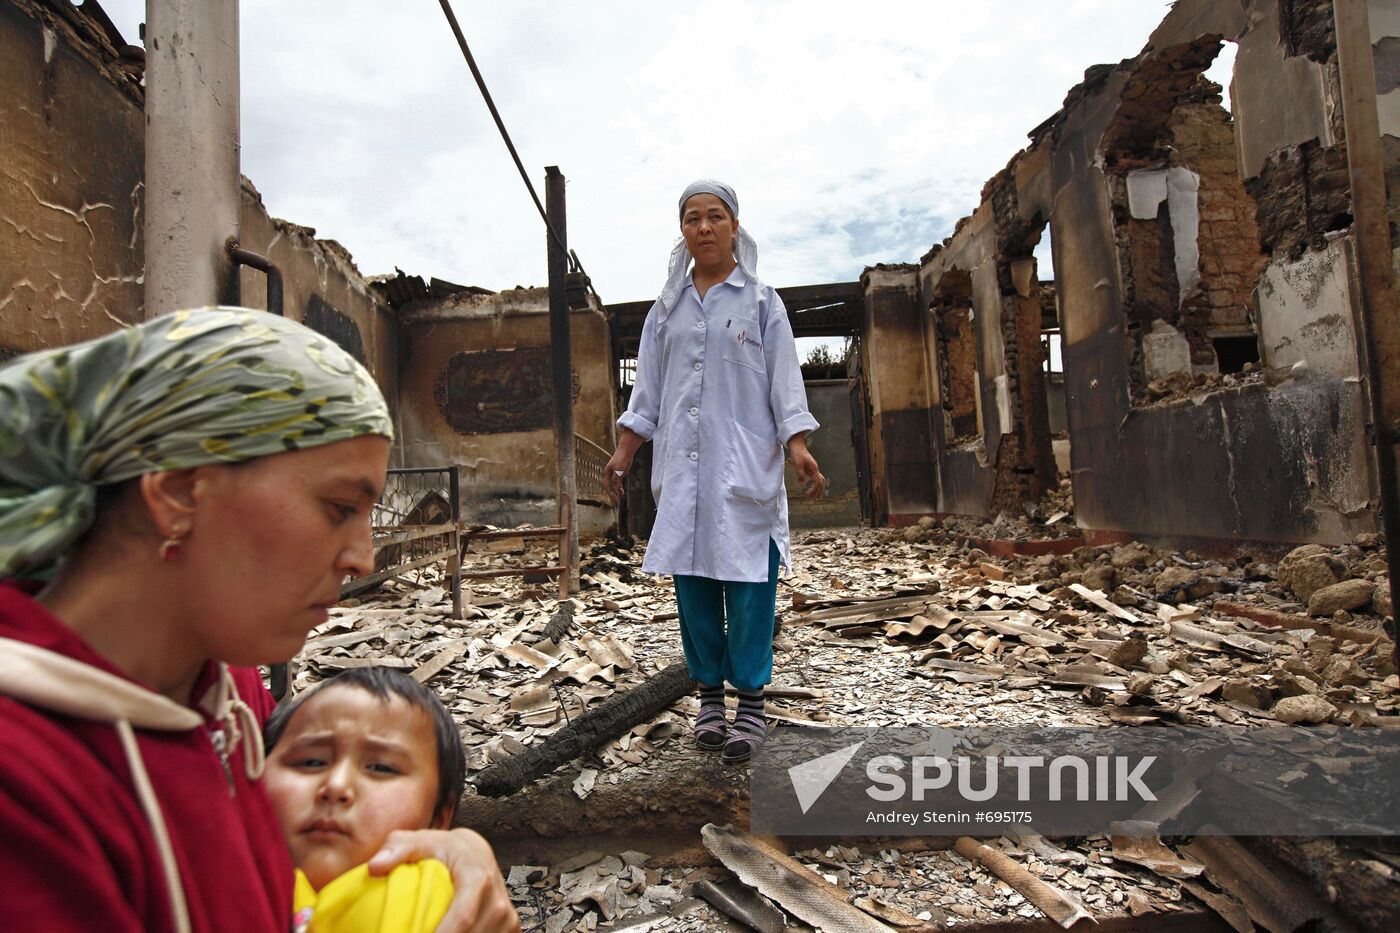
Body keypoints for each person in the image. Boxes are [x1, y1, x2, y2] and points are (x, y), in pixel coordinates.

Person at [0, 308, 519, 933]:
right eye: (338, 507)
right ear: (177, 492)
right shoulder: (25, 787)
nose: (360, 559)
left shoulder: (230, 694)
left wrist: (446, 853)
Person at [605, 180, 825, 763]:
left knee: (752, 588)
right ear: (682, 231)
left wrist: (796, 444)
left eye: (715, 217)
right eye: (692, 218)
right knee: (695, 587)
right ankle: (708, 700)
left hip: (743, 465)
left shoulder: (761, 303)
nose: (703, 227)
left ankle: (750, 704)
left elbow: (784, 382)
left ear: (735, 227)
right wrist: (626, 449)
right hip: (683, 471)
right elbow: (647, 391)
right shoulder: (666, 310)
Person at [263, 667, 465, 932]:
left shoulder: (432, 903)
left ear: (439, 818)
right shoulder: (214, 879)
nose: (336, 786)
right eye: (311, 762)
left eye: (381, 768)